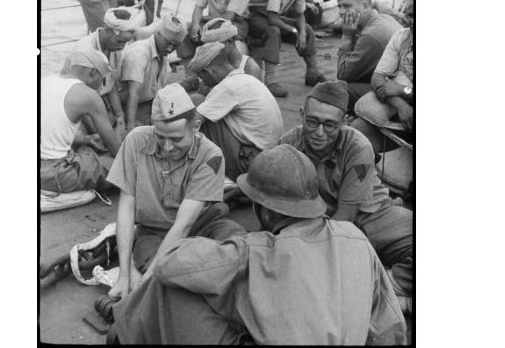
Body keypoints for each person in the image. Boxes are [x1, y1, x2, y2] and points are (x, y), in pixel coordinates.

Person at [109, 144, 407, 345]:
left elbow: (167, 265)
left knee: (171, 290)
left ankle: (119, 331)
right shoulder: (357, 240)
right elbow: (390, 327)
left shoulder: (255, 250)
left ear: (263, 210)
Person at [280, 80, 413, 313]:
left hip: (375, 215)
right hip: (323, 222)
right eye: (312, 121)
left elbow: (345, 218)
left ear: (344, 123)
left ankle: (387, 289)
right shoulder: (287, 144)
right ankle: (383, 291)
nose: (319, 132)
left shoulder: (358, 146)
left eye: (330, 125)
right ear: (302, 115)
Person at [106, 83, 246, 301]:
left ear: (196, 127)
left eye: (176, 139)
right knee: (168, 266)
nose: (167, 147)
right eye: (160, 137)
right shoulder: (135, 140)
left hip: (203, 225)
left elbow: (184, 225)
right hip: (154, 233)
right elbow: (126, 205)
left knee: (239, 245)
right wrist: (124, 276)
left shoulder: (211, 155)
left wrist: (145, 283)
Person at [189, 43, 284, 180]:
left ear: (210, 71)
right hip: (269, 157)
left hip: (251, 164)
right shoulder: (247, 78)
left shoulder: (227, 87)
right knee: (203, 105)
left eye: (202, 77)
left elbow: (193, 123)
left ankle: (214, 173)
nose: (202, 82)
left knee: (198, 117)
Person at [40, 49, 122, 193]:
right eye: (102, 80)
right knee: (122, 168)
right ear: (93, 73)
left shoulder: (45, 80)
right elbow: (116, 149)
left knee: (87, 151)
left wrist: (86, 139)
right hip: (54, 174)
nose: (101, 87)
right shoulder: (88, 95)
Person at [247, 0, 327, 98]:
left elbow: (299, 14)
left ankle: (312, 72)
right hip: (255, 17)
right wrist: (294, 31)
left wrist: (301, 33)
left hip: (271, 17)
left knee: (307, 29)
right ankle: (270, 82)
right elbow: (272, 20)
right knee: (274, 31)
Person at [177, 0, 249, 91]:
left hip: (234, 26)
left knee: (217, 33)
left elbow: (228, 19)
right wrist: (196, 25)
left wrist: (203, 22)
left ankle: (214, 75)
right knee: (183, 30)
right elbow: (198, 8)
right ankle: (190, 75)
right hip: (212, 23)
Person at [352, 0, 414, 152]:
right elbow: (377, 78)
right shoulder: (402, 37)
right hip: (403, 105)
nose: (413, 21)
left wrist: (402, 90)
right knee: (357, 130)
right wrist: (401, 106)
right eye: (410, 15)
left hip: (406, 94)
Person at [337, 0, 403, 112]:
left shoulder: (370, 35)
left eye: (346, 6)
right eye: (339, 6)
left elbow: (343, 74)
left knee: (338, 89)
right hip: (398, 84)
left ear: (366, 7)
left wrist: (347, 37)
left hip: (399, 94)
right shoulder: (384, 18)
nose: (341, 12)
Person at [61, 24, 136, 137]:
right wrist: (100, 134)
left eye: (125, 43)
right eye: (119, 41)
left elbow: (111, 85)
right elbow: (81, 99)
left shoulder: (115, 49)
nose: (122, 47)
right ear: (106, 30)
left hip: (98, 99)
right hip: (75, 102)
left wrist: (120, 116)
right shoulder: (84, 50)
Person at [120, 14, 187, 132]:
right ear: (158, 34)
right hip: (128, 107)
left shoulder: (163, 52)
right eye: (168, 43)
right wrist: (130, 127)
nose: (170, 49)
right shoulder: (139, 54)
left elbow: (164, 86)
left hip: (149, 103)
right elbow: (133, 93)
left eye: (175, 46)